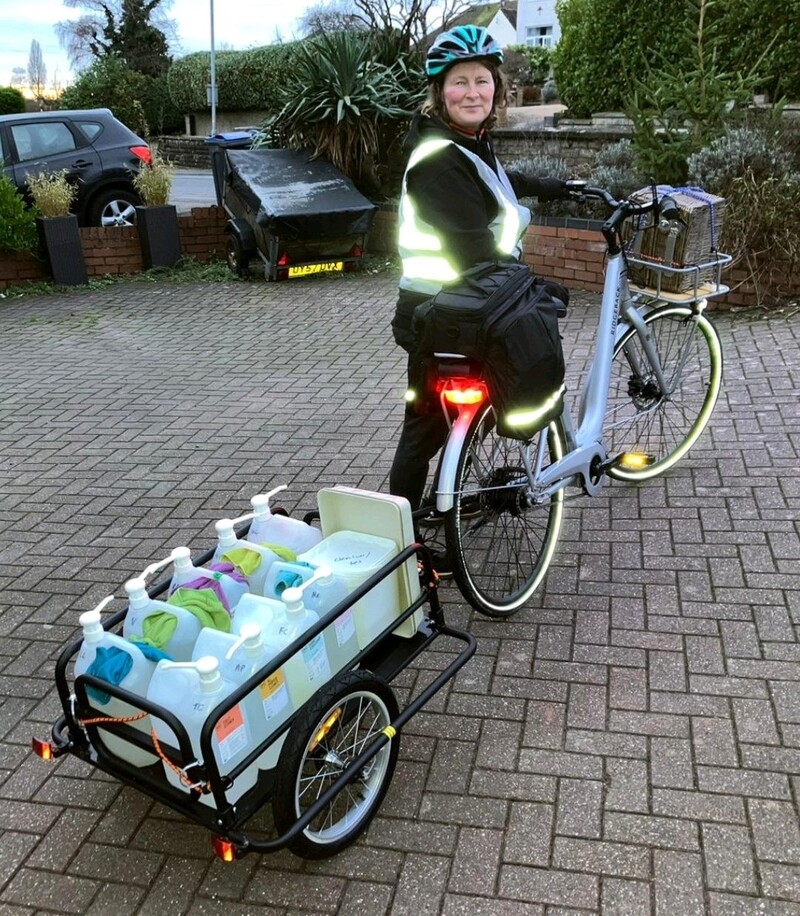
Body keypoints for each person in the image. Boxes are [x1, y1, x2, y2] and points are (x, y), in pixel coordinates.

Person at [389, 25, 569, 520]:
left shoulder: (466, 141)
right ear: (439, 92)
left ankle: (449, 493)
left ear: (497, 89)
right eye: (459, 82)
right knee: (422, 431)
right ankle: (401, 544)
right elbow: (476, 250)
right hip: (437, 314)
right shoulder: (436, 161)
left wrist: (559, 186)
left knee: (454, 416)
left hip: (472, 306)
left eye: (482, 81)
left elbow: (499, 182)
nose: (472, 92)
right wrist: (534, 288)